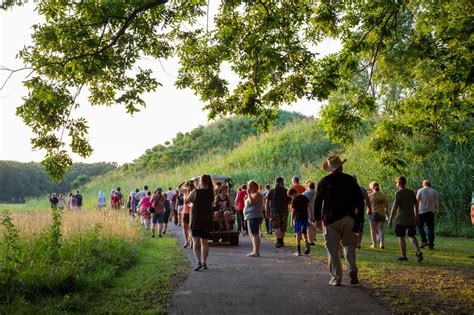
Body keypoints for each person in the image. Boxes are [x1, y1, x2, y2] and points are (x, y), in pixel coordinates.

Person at [314, 155, 364, 286]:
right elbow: (360, 200)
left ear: (330, 169)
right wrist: (359, 219)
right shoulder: (351, 180)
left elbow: (318, 201)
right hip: (348, 217)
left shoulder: (324, 181)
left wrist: (317, 219)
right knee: (349, 245)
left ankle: (337, 277)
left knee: (333, 249)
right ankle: (352, 268)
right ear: (341, 166)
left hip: (330, 220)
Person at [388, 176, 424, 262]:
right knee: (412, 235)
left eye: (396, 183)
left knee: (401, 237)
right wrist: (417, 216)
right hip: (411, 217)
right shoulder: (411, 192)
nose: (396, 184)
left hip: (401, 218)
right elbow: (416, 205)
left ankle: (403, 256)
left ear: (399, 183)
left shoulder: (398, 193)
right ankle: (418, 250)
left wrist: (390, 219)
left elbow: (395, 207)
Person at [186, 174, 215, 271]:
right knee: (205, 242)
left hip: (196, 219)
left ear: (201, 182)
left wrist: (187, 192)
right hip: (207, 219)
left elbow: (186, 201)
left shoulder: (195, 191)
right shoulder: (211, 193)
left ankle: (198, 262)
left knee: (196, 242)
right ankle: (204, 262)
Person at [265, 177, 291, 248]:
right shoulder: (286, 191)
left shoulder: (271, 191)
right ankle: (281, 241)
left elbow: (267, 201)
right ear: (282, 183)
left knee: (277, 226)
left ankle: (279, 241)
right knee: (283, 226)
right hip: (284, 210)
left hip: (275, 211)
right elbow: (290, 201)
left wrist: (267, 211)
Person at [416, 180, 440, 250]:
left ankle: (424, 241)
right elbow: (437, 201)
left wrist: (415, 211)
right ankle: (431, 244)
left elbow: (417, 201)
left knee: (419, 226)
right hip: (430, 212)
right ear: (430, 184)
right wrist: (438, 210)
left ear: (423, 184)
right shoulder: (434, 191)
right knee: (430, 228)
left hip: (422, 211)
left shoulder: (420, 190)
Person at [244, 180, 264, 257]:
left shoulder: (258, 194)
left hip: (255, 216)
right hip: (249, 216)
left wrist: (248, 194)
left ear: (254, 187)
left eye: (249, 186)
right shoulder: (251, 194)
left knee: (255, 234)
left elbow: (252, 202)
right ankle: (254, 250)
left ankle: (257, 251)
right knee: (251, 234)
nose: (248, 187)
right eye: (248, 185)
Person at [288, 188, 311, 256]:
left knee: (298, 233)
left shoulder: (295, 200)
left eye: (291, 196)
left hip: (298, 218)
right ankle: (307, 244)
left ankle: (298, 251)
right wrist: (310, 215)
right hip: (305, 217)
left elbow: (293, 211)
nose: (292, 197)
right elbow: (308, 207)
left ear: (293, 193)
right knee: (304, 232)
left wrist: (292, 220)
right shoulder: (305, 198)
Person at [352, 175, 372, 249]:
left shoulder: (349, 188)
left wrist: (369, 208)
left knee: (353, 227)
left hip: (352, 211)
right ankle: (358, 243)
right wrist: (369, 208)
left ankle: (356, 243)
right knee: (359, 227)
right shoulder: (362, 188)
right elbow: (367, 199)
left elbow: (367, 199)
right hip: (360, 210)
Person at [368, 181, 389, 249]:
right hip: (381, 213)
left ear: (372, 187)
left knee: (373, 229)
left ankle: (374, 244)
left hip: (373, 213)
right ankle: (382, 243)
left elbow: (367, 204)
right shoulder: (382, 195)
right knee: (380, 229)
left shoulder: (371, 195)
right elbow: (386, 204)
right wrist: (386, 211)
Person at [303, 181, 317, 245]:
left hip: (308, 210)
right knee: (315, 226)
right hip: (317, 210)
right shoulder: (318, 193)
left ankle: (311, 241)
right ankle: (313, 238)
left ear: (308, 186)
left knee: (309, 226)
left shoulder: (305, 194)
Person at [182, 181, 195, 248]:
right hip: (185, 212)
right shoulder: (186, 193)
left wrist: (190, 204)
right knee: (184, 228)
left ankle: (191, 242)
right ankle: (186, 241)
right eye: (187, 186)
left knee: (190, 228)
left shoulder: (193, 194)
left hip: (190, 212)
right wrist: (185, 182)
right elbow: (179, 188)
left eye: (189, 186)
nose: (187, 187)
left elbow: (191, 204)